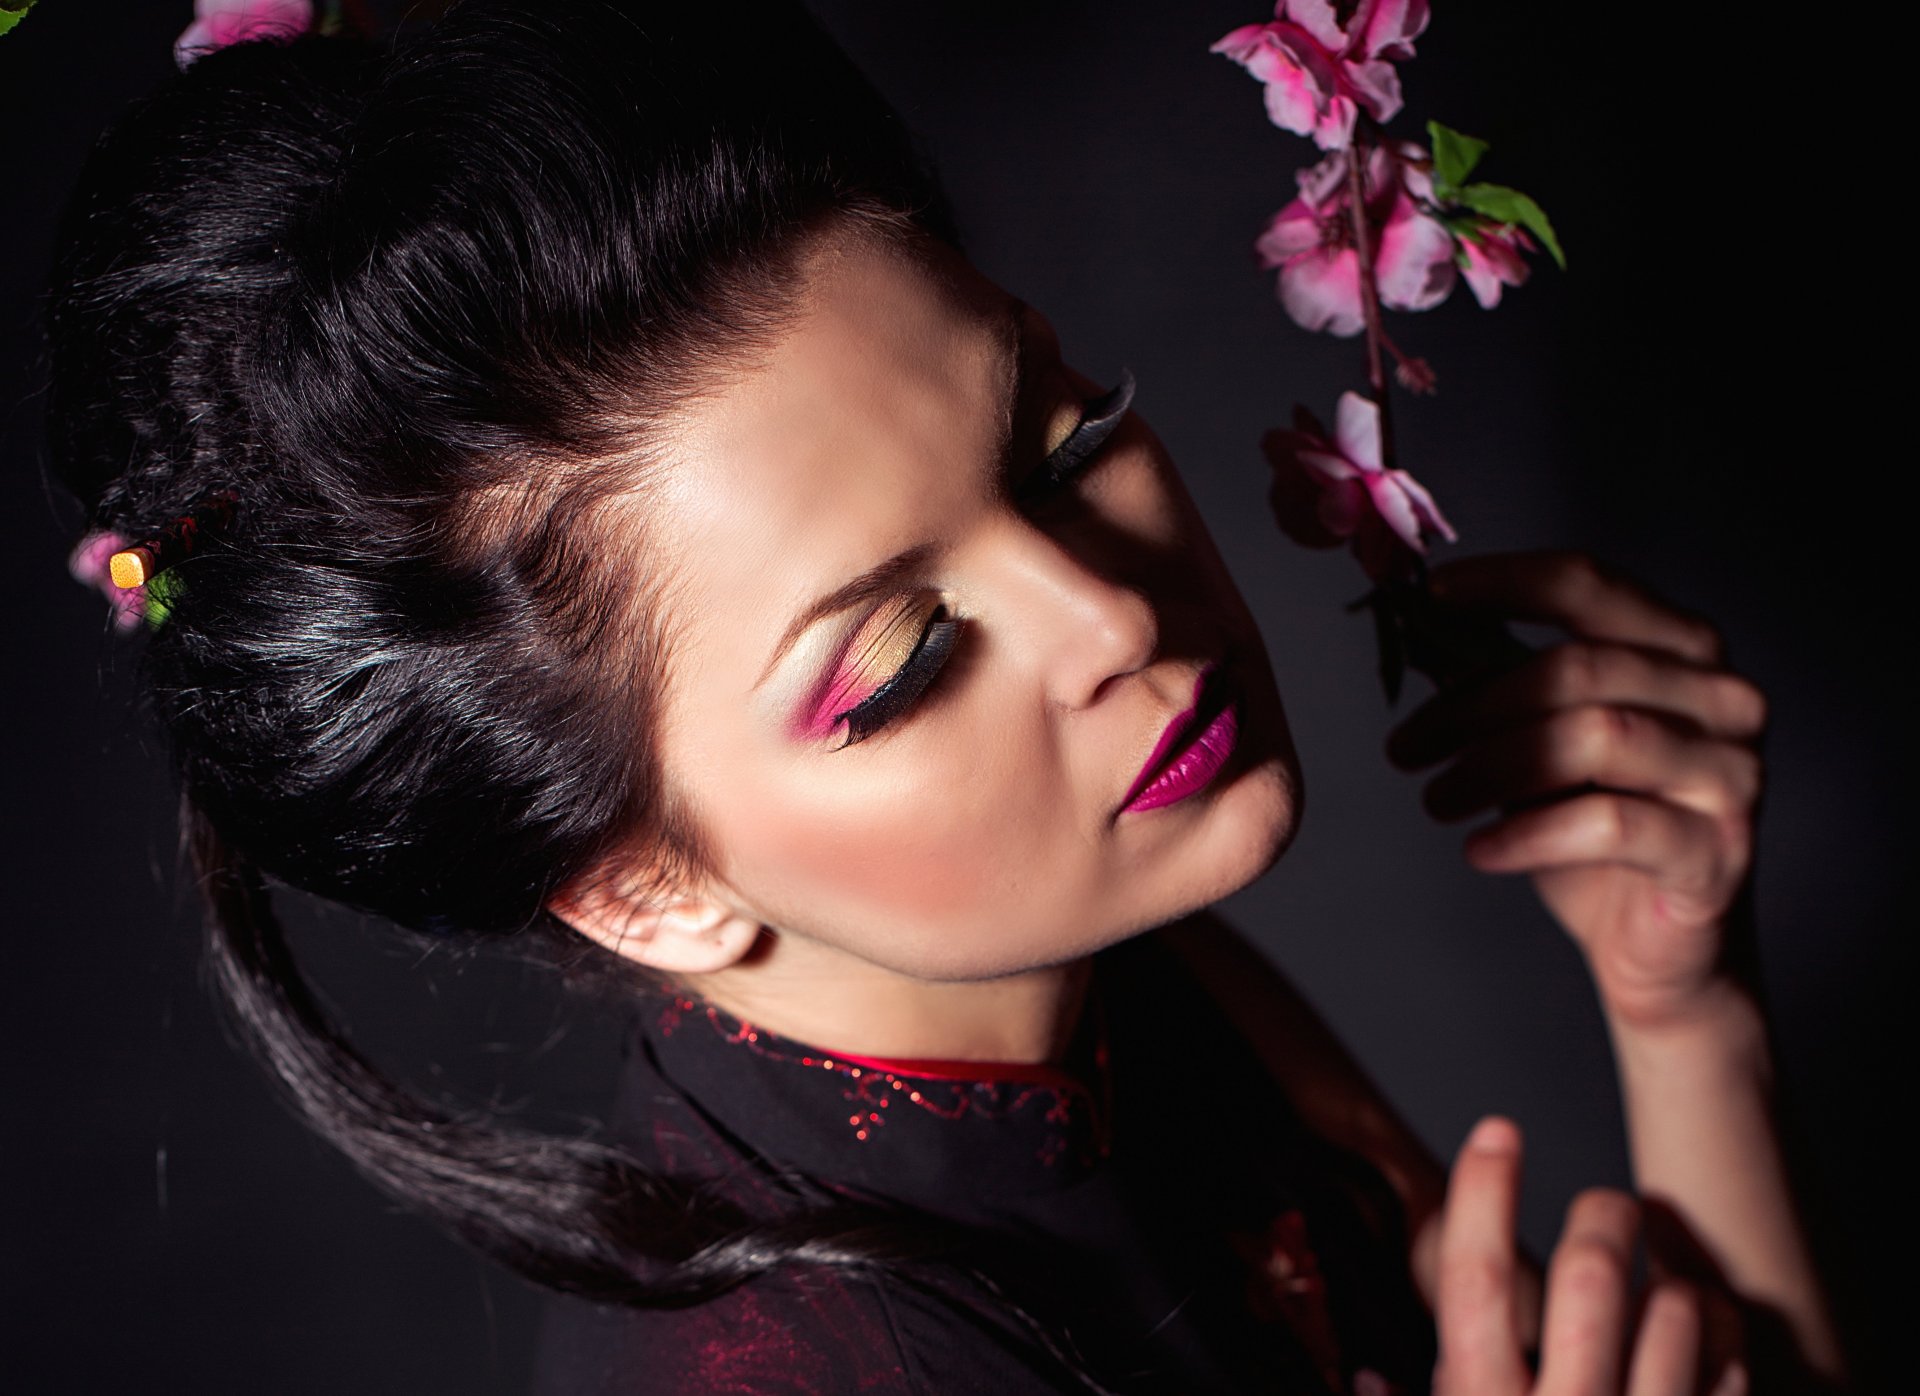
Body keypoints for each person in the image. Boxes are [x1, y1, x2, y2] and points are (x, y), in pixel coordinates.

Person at [43, 2, 1844, 1392]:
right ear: (643, 886)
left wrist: (1682, 1016)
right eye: (900, 660)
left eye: (1064, 444)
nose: (1105, 611)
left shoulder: (1098, 985)